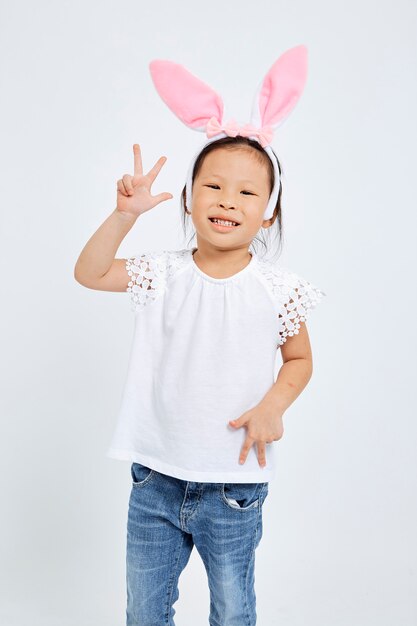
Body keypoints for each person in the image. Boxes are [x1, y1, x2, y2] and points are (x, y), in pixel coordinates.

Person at [74, 47, 326, 626]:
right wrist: (124, 216)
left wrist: (273, 404)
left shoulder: (277, 289)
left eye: (245, 193)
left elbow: (300, 359)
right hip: (155, 479)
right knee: (145, 610)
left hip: (233, 487)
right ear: (189, 198)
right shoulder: (162, 274)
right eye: (213, 187)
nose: (227, 201)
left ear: (269, 211)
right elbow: (89, 274)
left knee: (233, 610)